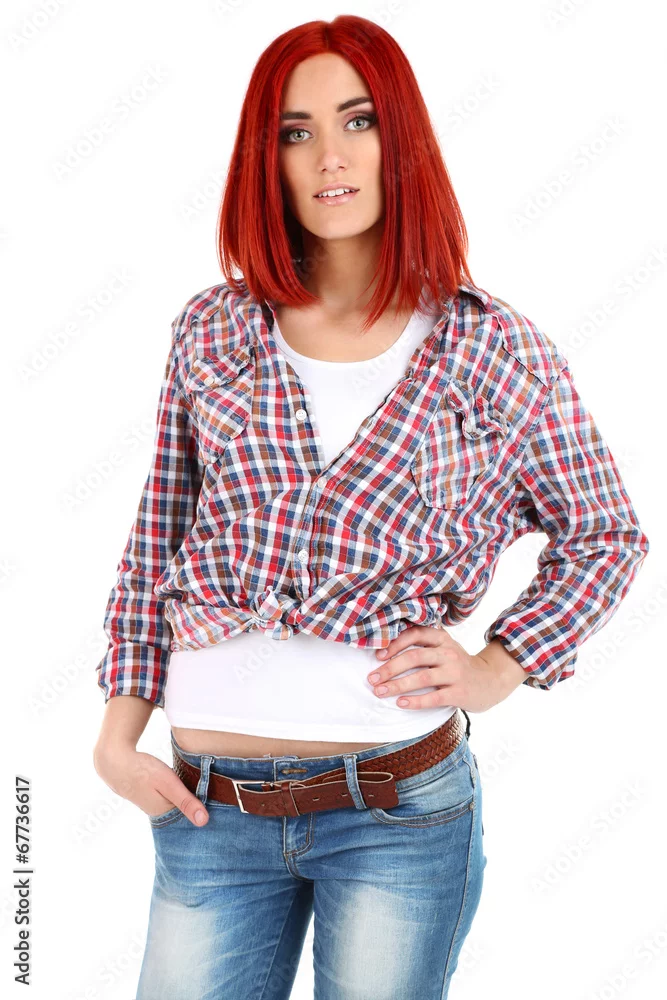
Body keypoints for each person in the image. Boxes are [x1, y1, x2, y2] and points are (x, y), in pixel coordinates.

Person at [92, 15, 649, 999]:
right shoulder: (212, 330)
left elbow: (605, 532)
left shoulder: (491, 348)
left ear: (402, 140)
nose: (329, 156)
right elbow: (158, 540)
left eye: (358, 121)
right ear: (265, 158)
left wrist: (496, 667)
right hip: (206, 810)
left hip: (394, 811)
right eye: (294, 132)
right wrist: (115, 738)